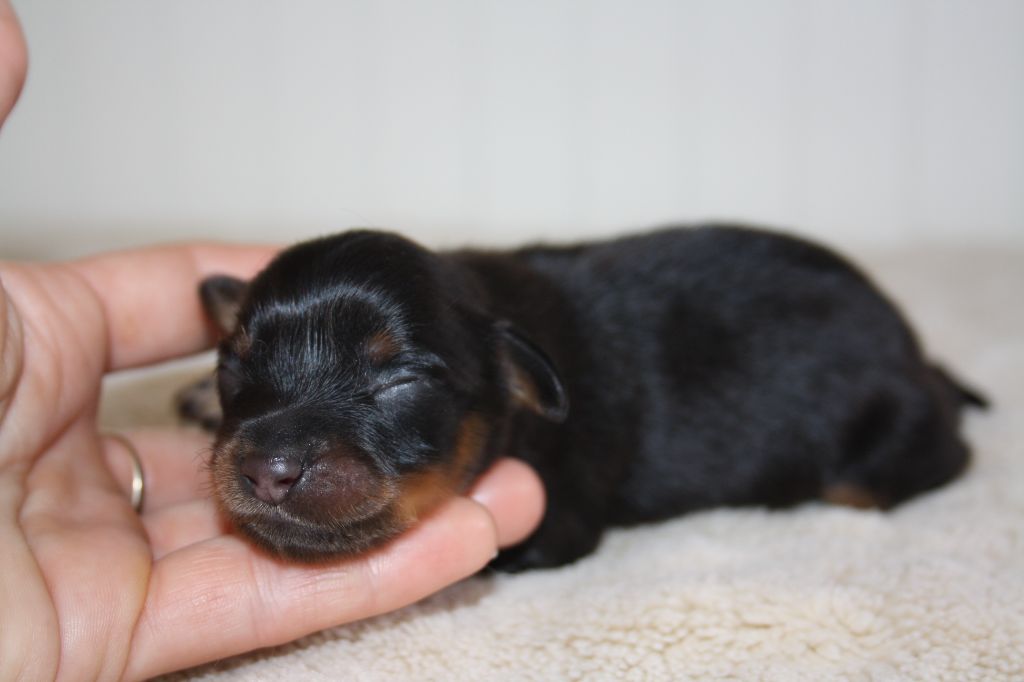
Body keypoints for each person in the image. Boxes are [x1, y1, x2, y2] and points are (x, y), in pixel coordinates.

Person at [0, 3, 545, 679]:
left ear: (510, 382)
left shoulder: (513, 356)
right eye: (241, 371)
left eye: (397, 380)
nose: (271, 463)